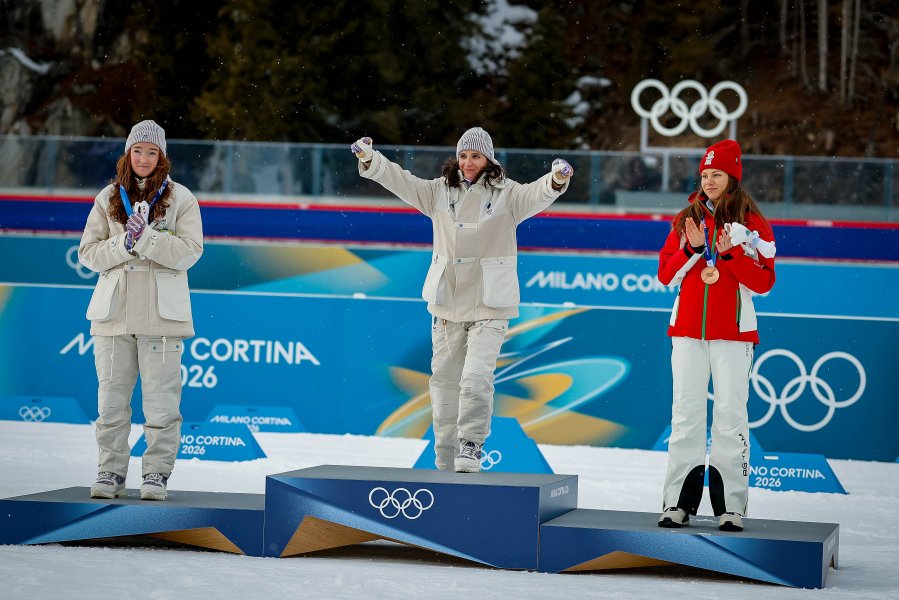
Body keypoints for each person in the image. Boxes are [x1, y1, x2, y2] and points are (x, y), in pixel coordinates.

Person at [351, 128, 573, 472]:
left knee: (475, 379)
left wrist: (556, 179)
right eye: (464, 156)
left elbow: (537, 194)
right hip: (447, 305)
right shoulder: (437, 192)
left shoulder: (508, 195)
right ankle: (444, 456)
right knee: (443, 387)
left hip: (490, 305)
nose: (468, 163)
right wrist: (370, 158)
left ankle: (471, 444)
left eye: (476, 156)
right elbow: (401, 181)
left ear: (489, 160)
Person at [78, 120, 204, 500]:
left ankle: (156, 474)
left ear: (162, 156)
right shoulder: (108, 197)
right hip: (114, 316)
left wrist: (147, 239)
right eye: (138, 151)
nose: (144, 158)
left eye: (152, 152)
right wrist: (124, 246)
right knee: (111, 403)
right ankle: (110, 471)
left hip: (162, 318)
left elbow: (190, 252)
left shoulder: (181, 198)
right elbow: (88, 253)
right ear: (128, 154)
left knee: (162, 405)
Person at [656, 139, 775, 531]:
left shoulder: (752, 224)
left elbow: (764, 283)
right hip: (688, 332)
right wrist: (692, 248)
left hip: (734, 335)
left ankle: (731, 508)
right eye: (705, 175)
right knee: (685, 416)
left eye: (717, 174)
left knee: (729, 418)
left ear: (732, 177)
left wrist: (731, 255)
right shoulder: (686, 218)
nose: (709, 181)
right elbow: (665, 274)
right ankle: (678, 503)